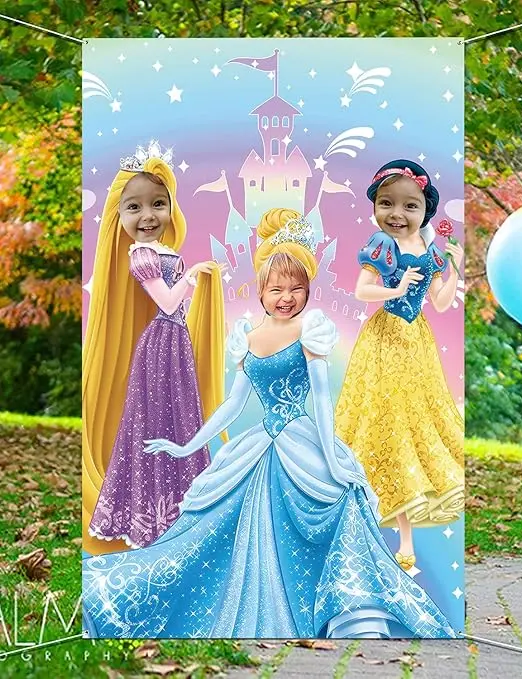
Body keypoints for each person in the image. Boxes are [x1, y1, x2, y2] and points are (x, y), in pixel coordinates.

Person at [82, 207, 455, 640]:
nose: (286, 297)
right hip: (259, 446)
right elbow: (233, 405)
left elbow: (320, 399)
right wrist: (186, 446)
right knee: (210, 529)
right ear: (261, 290)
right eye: (277, 288)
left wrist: (333, 458)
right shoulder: (248, 337)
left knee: (340, 503)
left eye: (297, 289)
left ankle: (341, 608)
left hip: (303, 442)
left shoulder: (311, 330)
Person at [83, 141, 226, 554]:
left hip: (174, 342)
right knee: (154, 421)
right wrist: (193, 276)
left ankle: (180, 506)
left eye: (158, 204)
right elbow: (166, 302)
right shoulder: (141, 255)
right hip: (161, 344)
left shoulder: (162, 250)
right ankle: (150, 512)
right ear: (119, 215)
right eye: (134, 207)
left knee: (179, 418)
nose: (148, 216)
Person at [335, 159, 465, 571]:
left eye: (410, 206)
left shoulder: (430, 251)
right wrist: (395, 287)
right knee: (384, 424)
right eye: (387, 203)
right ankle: (367, 527)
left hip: (416, 344)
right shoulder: (381, 244)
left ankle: (406, 542)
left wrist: (454, 268)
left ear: (425, 210)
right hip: (385, 340)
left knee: (412, 426)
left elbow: (440, 303)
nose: (397, 214)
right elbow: (362, 290)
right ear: (375, 205)